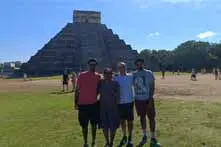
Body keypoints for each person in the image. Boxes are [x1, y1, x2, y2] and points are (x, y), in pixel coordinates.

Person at [133, 59, 161, 147]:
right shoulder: (133, 74)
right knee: (142, 117)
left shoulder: (149, 73)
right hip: (138, 100)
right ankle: (144, 135)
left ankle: (152, 136)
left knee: (151, 118)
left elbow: (152, 87)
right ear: (136, 65)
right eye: (137, 64)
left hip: (148, 99)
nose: (139, 65)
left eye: (141, 64)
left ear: (143, 64)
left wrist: (149, 98)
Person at [74, 59, 101, 147]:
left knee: (94, 125)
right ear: (88, 65)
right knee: (84, 126)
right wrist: (75, 103)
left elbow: (98, 90)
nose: (92, 66)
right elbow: (77, 90)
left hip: (94, 104)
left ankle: (93, 141)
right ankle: (85, 142)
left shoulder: (98, 76)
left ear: (96, 65)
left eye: (94, 65)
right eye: (91, 65)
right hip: (83, 105)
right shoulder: (82, 75)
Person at [97, 68, 120, 147]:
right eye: (106, 73)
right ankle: (107, 141)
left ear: (112, 74)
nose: (108, 75)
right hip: (103, 107)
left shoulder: (115, 83)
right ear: (103, 74)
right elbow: (96, 92)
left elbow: (118, 96)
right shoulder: (100, 82)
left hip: (113, 107)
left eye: (109, 73)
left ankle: (112, 141)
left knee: (113, 126)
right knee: (104, 126)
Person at [113, 62, 134, 147]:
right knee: (122, 121)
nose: (122, 68)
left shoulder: (130, 76)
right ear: (118, 68)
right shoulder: (116, 78)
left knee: (130, 121)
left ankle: (130, 137)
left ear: (126, 67)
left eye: (123, 67)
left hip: (129, 102)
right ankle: (124, 135)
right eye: (120, 67)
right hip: (120, 102)